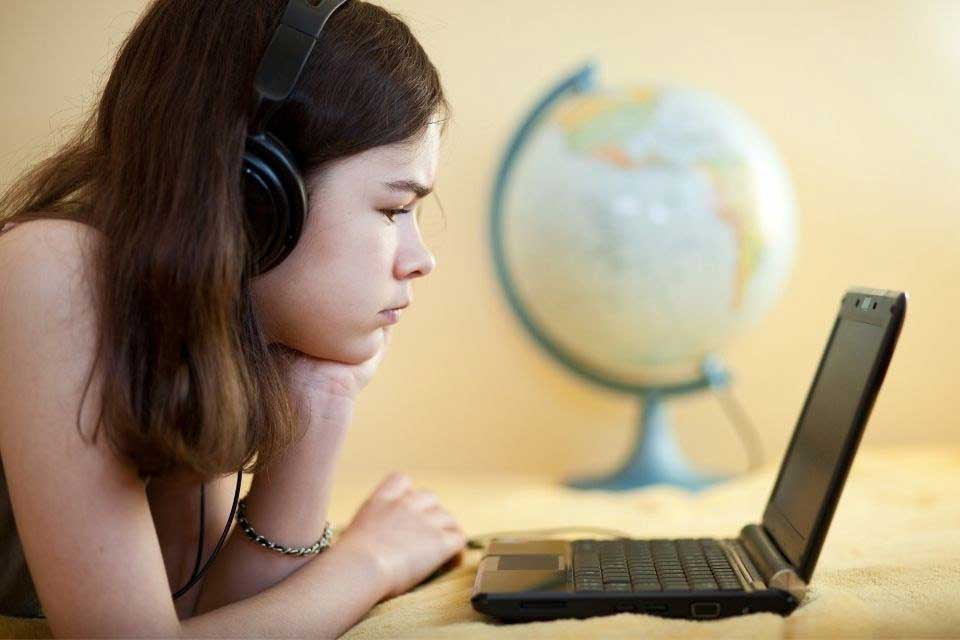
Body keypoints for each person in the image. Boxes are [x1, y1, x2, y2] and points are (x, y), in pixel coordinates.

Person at [0, 0, 466, 637]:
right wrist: (371, 561)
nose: (421, 260)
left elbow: (202, 614)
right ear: (256, 196)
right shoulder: (49, 267)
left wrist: (320, 402)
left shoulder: (201, 318)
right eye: (393, 210)